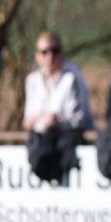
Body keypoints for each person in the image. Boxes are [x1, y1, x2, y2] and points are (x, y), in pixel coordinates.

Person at [23, 32, 93, 182]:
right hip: (41, 145)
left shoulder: (73, 77)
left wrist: (56, 121)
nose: (50, 56)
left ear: (61, 53)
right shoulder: (32, 80)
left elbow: (81, 118)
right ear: (37, 55)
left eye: (54, 51)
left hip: (68, 142)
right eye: (44, 52)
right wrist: (45, 119)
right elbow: (27, 121)